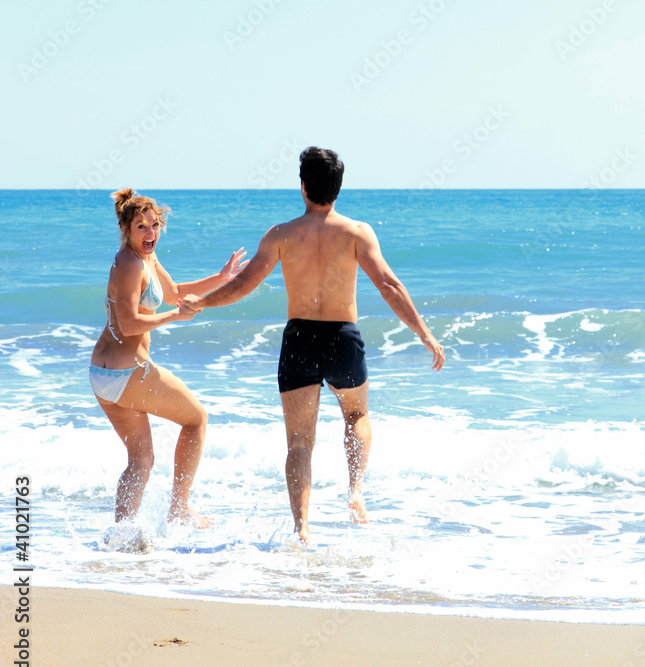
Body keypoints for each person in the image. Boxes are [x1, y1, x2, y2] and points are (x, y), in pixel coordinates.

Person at [184, 148, 444, 543]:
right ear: (338, 188)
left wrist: (202, 302)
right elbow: (389, 285)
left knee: (300, 441)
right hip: (342, 337)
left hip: (300, 339)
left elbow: (244, 284)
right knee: (356, 417)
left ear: (302, 187)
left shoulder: (281, 235)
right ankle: (355, 492)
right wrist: (423, 332)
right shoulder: (357, 233)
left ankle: (301, 527)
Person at [89, 188, 247, 528]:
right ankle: (179, 508)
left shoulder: (145, 258)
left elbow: (174, 293)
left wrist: (220, 279)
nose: (150, 233)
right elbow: (129, 323)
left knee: (141, 459)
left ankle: (122, 535)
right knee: (197, 420)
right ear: (126, 230)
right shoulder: (131, 264)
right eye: (142, 227)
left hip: (103, 376)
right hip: (126, 372)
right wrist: (174, 317)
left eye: (155, 225)